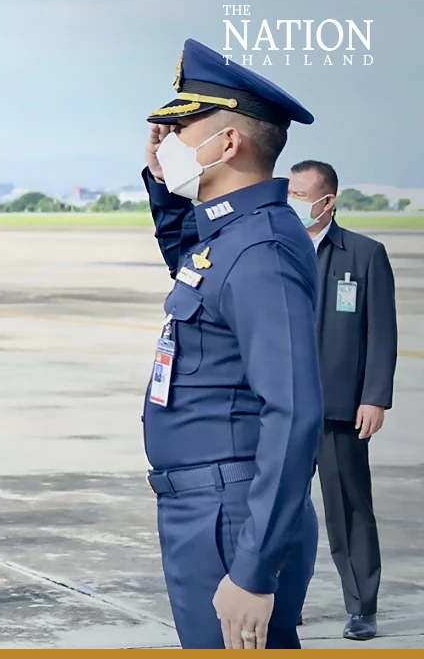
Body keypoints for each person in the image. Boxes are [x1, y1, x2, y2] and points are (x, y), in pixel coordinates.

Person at [140, 38, 324, 649]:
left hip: (232, 510)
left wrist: (252, 567)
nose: (170, 137)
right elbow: (195, 268)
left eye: (183, 126)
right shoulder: (236, 235)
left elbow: (294, 409)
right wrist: (165, 181)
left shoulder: (262, 249)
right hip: (213, 502)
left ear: (227, 143)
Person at [287, 160, 397, 641]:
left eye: (301, 194)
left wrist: (374, 398)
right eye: (287, 192)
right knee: (280, 510)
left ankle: (362, 607)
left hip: (339, 411)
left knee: (349, 510)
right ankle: (284, 602)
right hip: (283, 409)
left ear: (327, 201)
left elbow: (382, 335)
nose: (292, 202)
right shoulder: (276, 251)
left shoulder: (364, 254)